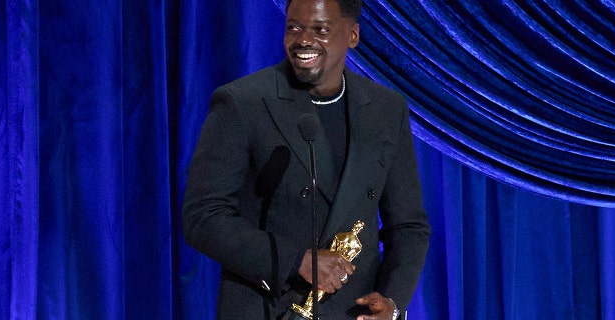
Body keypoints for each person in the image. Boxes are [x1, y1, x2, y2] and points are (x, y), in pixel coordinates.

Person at [182, 0, 430, 318]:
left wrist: (392, 304)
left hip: (350, 311)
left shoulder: (386, 110)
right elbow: (203, 217)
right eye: (294, 28)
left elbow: (408, 226)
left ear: (352, 35)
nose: (304, 40)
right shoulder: (243, 103)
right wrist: (298, 260)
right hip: (268, 308)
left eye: (320, 29)